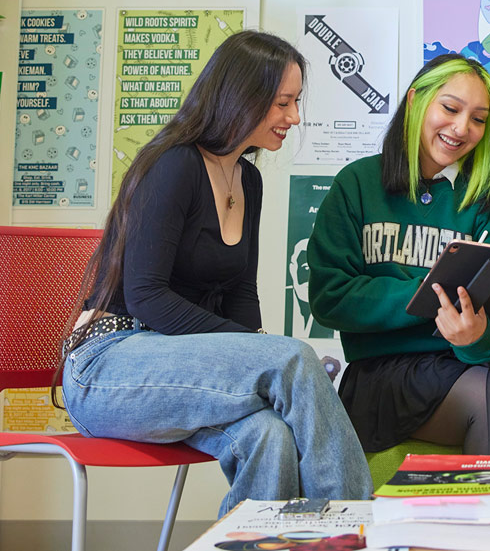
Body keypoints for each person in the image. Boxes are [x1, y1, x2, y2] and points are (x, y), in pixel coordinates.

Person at [57, 30, 373, 517]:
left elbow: (242, 289)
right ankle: (355, 527)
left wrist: (251, 347)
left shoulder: (249, 178)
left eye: (295, 102)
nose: (294, 117)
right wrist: (255, 350)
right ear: (241, 97)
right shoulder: (173, 164)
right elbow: (146, 297)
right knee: (292, 359)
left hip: (180, 368)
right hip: (108, 367)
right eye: (282, 102)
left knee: (270, 437)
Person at [308, 53, 490, 457]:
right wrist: (426, 295)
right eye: (451, 108)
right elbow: (331, 297)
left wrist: (476, 339)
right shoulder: (357, 183)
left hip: (466, 359)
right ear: (416, 99)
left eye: (478, 118)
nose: (462, 128)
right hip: (384, 372)